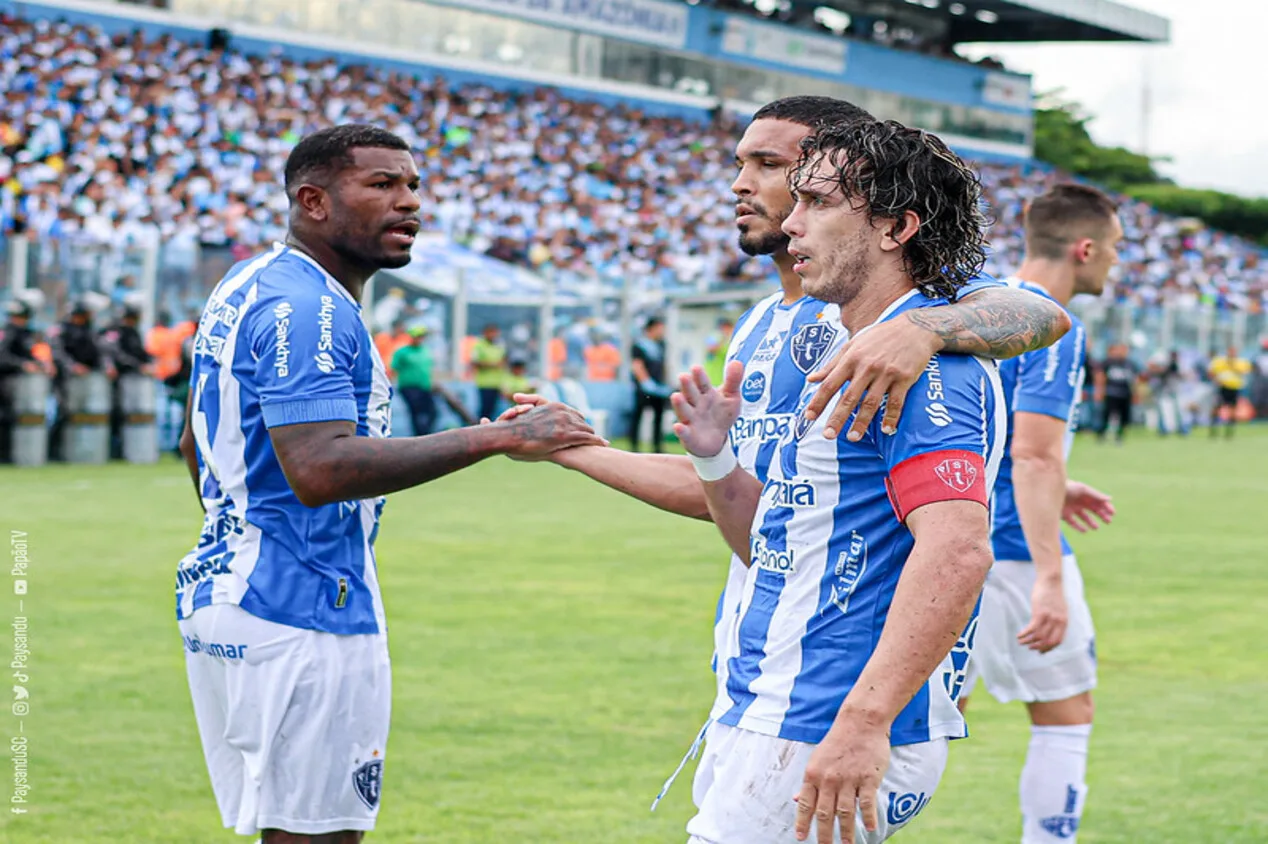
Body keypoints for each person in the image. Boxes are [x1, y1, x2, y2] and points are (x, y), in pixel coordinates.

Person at [528, 93, 1069, 800]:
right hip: (760, 669)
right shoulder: (761, 325)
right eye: (738, 162)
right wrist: (583, 448)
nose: (740, 184)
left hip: (830, 690)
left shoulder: (896, 306)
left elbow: (1038, 313)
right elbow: (769, 516)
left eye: (770, 164)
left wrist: (926, 332)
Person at [174, 124, 602, 844]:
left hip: (231, 590)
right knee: (319, 835)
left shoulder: (250, 281)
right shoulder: (308, 307)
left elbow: (194, 442)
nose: (409, 204)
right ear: (313, 200)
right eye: (381, 186)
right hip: (302, 604)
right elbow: (319, 468)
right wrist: (499, 435)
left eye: (412, 186)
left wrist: (248, 532)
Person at [671, 119, 1005, 844]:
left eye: (817, 202)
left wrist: (863, 723)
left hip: (824, 713)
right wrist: (711, 461)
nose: (791, 222)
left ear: (896, 226)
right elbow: (774, 536)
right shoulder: (845, 349)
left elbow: (957, 551)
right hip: (770, 700)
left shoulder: (926, 363)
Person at [958, 184, 1121, 844]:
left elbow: (981, 435)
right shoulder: (1053, 324)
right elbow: (1031, 454)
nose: (1114, 263)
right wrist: (1050, 577)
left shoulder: (974, 304)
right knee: (1065, 712)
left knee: (925, 710)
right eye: (1113, 250)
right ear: (1084, 249)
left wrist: (1060, 482)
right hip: (1011, 550)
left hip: (938, 532)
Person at [100, 303, 155, 458]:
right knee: (116, 413)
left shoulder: (133, 332)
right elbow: (116, 355)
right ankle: (114, 449)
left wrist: (149, 363)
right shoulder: (114, 332)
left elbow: (140, 352)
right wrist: (139, 366)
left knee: (131, 415)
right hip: (119, 380)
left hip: (134, 381)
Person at [630, 316, 673, 452]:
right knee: (638, 416)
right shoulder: (639, 345)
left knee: (658, 418)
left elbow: (664, 364)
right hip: (643, 388)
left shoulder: (661, 345)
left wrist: (665, 382)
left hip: (659, 388)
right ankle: (635, 446)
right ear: (652, 328)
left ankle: (657, 447)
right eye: (660, 328)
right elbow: (637, 366)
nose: (662, 331)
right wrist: (646, 382)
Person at [391, 325, 436, 437]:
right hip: (409, 387)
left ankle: (425, 434)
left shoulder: (425, 351)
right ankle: (419, 436)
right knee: (416, 412)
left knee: (433, 412)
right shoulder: (402, 352)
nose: (420, 339)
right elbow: (394, 368)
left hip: (425, 386)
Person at [1207, 345, 1252, 438]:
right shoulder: (1220, 361)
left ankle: (1229, 432)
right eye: (1230, 351)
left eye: (1234, 351)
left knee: (1232, 409)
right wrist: (1215, 380)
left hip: (1234, 388)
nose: (1232, 353)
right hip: (1222, 388)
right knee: (1216, 408)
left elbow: (1245, 371)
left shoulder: (1241, 362)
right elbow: (1211, 372)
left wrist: (1233, 366)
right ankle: (1213, 430)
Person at [1095, 344, 1137, 444]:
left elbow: (1135, 379)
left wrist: (1135, 393)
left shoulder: (1130, 364)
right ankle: (1102, 434)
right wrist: (1100, 390)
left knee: (1124, 417)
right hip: (1111, 393)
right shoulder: (1109, 362)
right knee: (1106, 415)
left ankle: (1119, 436)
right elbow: (1101, 376)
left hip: (1125, 394)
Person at [470, 323, 506, 422]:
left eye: (494, 332)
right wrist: (492, 364)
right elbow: (474, 362)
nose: (493, 335)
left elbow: (503, 361)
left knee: (493, 411)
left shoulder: (499, 345)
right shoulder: (479, 345)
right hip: (484, 384)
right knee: (484, 411)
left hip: (496, 384)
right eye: (490, 332)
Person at [704, 318, 736, 386]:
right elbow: (711, 348)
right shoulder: (716, 337)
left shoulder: (731, 342)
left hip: (723, 379)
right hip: (713, 379)